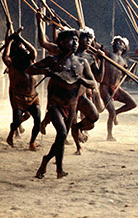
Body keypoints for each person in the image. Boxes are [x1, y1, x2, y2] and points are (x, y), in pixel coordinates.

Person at [28, 29, 97, 179]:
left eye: (76, 40)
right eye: (71, 40)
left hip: (71, 105)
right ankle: (59, 168)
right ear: (61, 43)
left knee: (60, 138)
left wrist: (82, 80)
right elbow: (30, 68)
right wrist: (46, 70)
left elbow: (93, 83)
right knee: (62, 134)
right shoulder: (54, 60)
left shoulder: (82, 62)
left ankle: (48, 161)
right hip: (55, 104)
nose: (75, 43)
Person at [2, 28, 41, 151]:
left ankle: (32, 143)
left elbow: (33, 49)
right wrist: (8, 42)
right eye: (19, 47)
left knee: (38, 120)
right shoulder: (11, 63)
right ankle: (11, 134)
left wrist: (19, 38)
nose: (23, 48)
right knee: (17, 120)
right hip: (18, 96)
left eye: (23, 47)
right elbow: (5, 55)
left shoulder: (31, 59)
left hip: (33, 96)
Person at [99, 36, 136, 141]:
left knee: (132, 103)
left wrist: (133, 66)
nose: (117, 43)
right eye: (116, 41)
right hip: (105, 86)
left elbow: (128, 79)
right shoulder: (108, 54)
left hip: (116, 87)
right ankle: (109, 135)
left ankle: (116, 113)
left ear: (124, 47)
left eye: (120, 42)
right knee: (111, 111)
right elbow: (97, 46)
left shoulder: (124, 62)